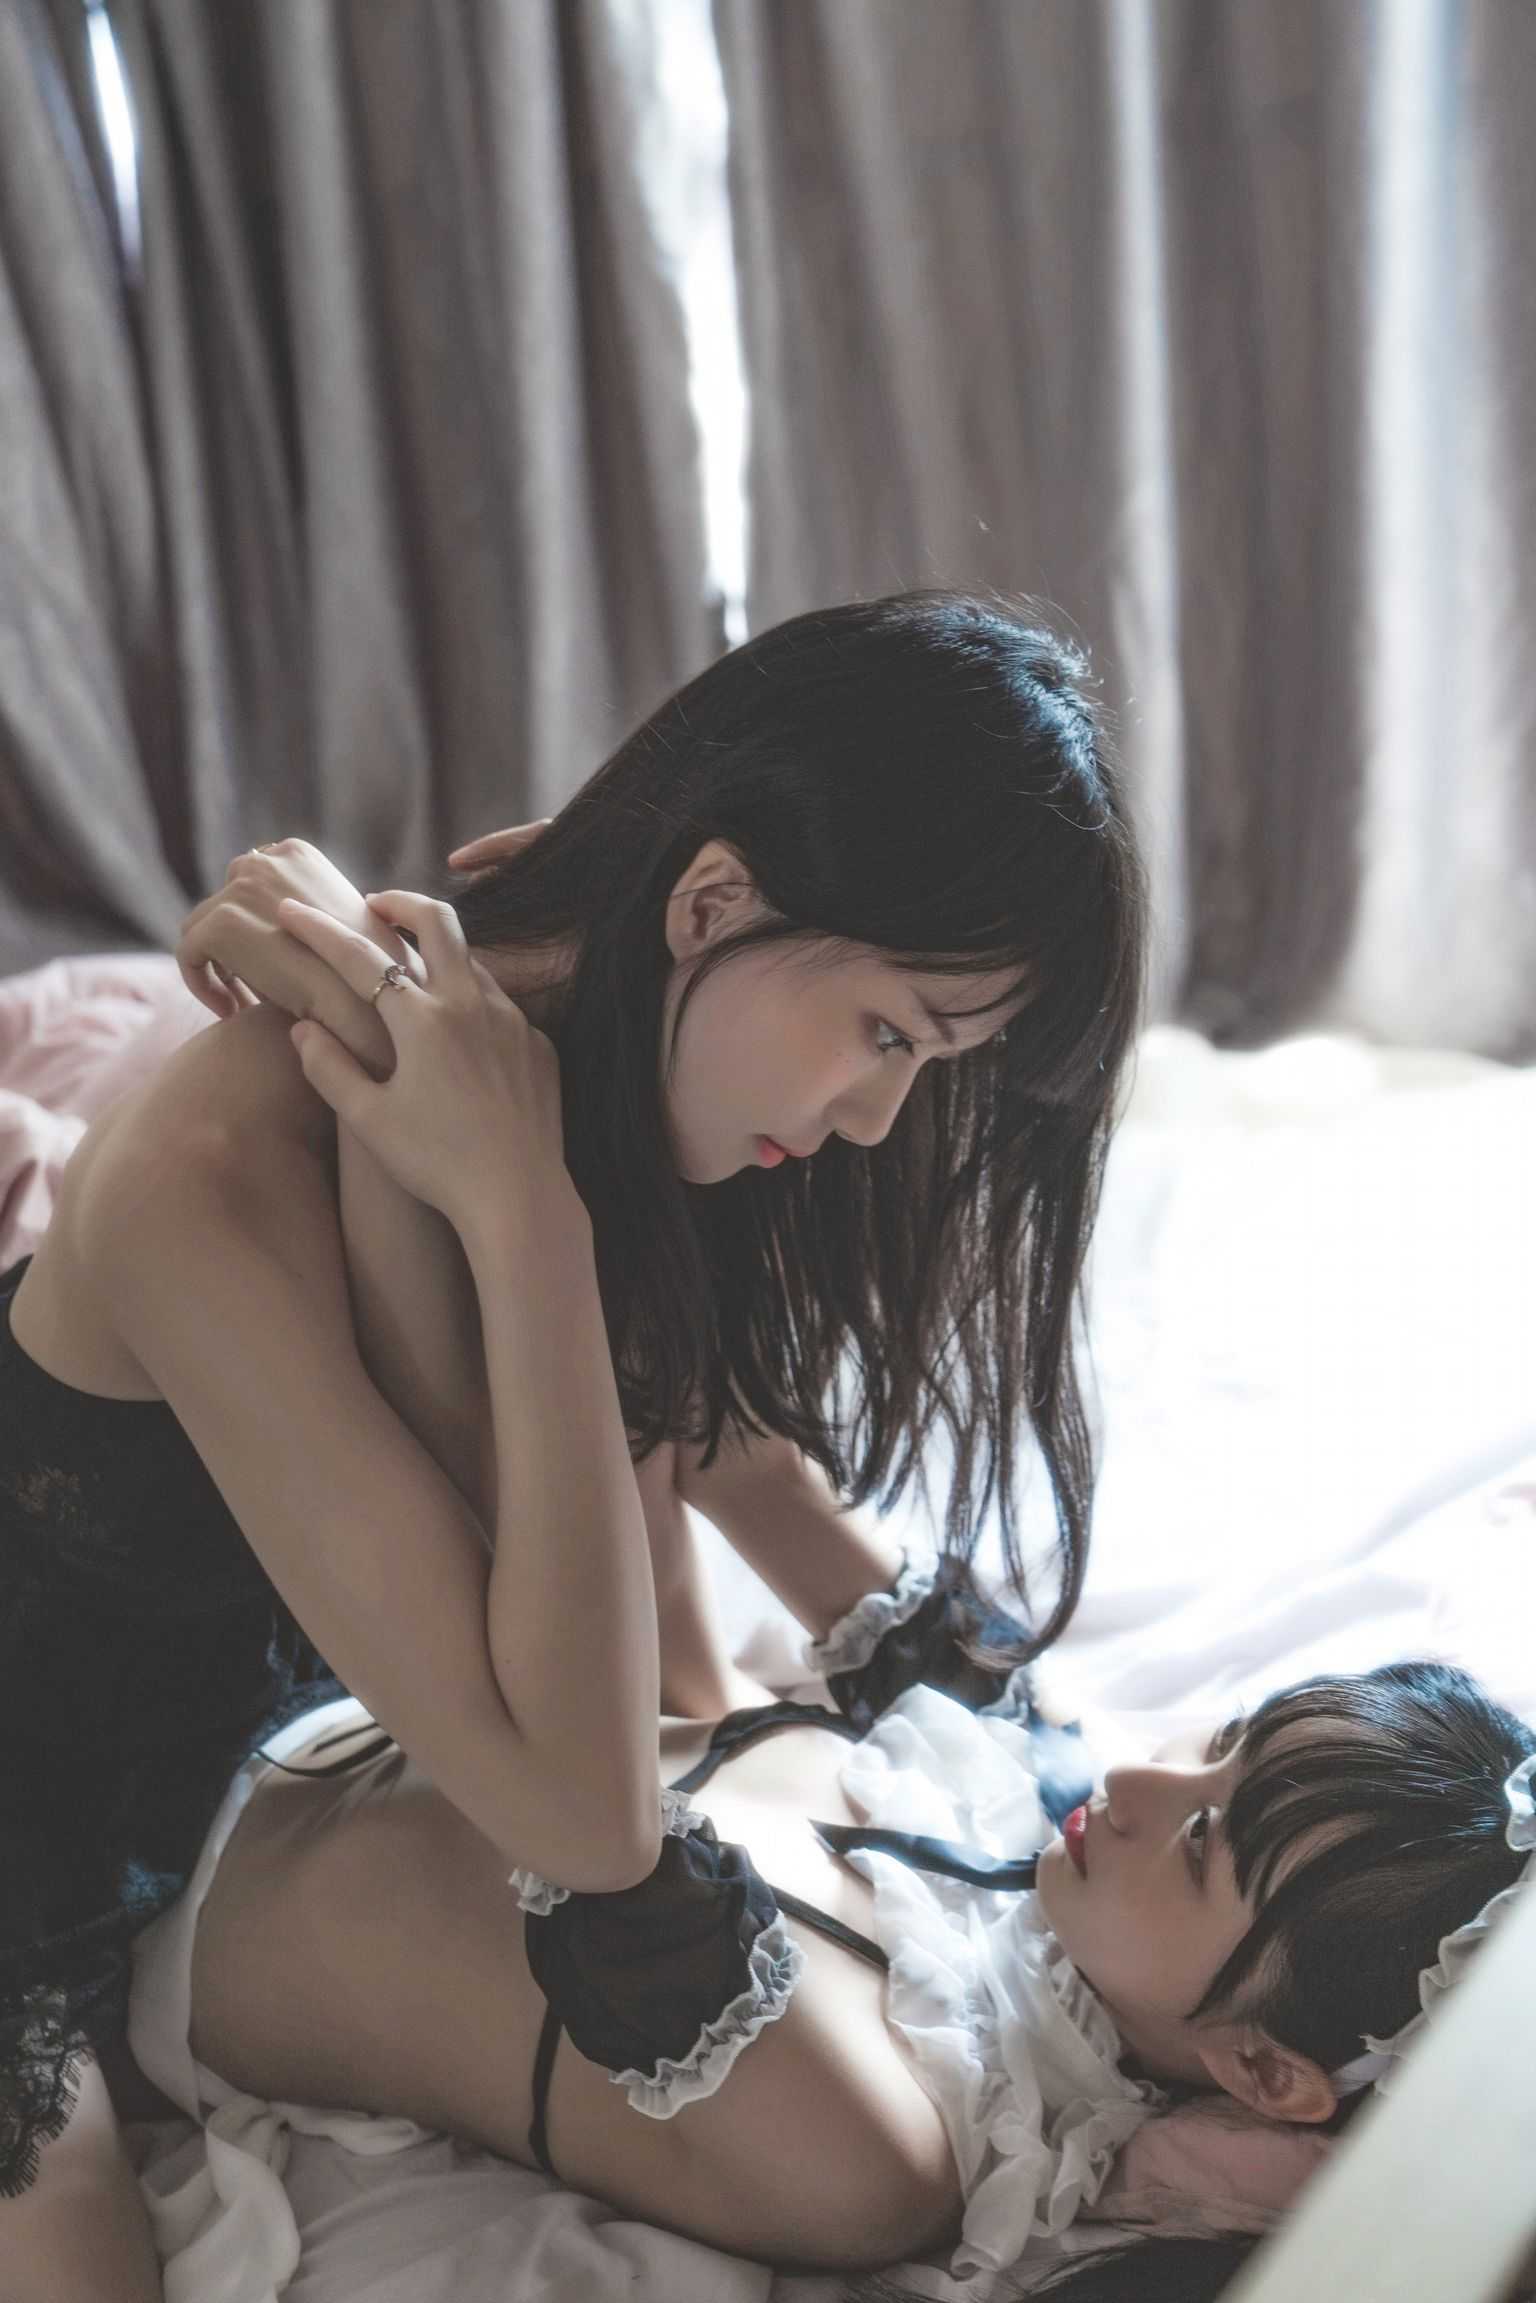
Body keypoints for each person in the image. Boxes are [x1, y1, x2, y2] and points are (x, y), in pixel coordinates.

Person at [0, 591, 1145, 2299]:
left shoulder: (609, 1021)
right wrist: (524, 1217)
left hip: (254, 1750)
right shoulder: (222, 1177)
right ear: (713, 902)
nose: (877, 1120)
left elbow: (721, 1466)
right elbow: (591, 1822)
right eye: (893, 1034)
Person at [120, 1645, 1533, 2285]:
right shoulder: (997, 1835)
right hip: (264, 1660)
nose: (1147, 1781)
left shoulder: (884, 2152)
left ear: (1266, 2072)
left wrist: (527, 1239)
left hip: (116, 1870)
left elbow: (579, 1813)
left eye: (1209, 1838)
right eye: (1222, 1742)